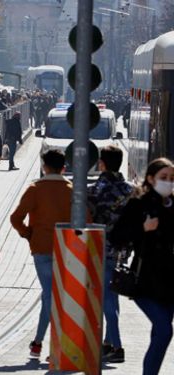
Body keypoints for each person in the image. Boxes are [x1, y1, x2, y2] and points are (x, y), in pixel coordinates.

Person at [110, 158, 174, 374]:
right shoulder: (139, 203)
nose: (168, 182)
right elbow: (117, 235)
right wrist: (142, 228)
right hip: (145, 281)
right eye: (163, 178)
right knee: (165, 330)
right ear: (150, 179)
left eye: (172, 178)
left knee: (160, 333)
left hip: (170, 282)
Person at [10, 150, 72, 358]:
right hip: (67, 250)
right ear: (64, 167)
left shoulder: (35, 189)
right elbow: (86, 220)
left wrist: (29, 234)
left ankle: (40, 343)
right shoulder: (72, 190)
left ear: (44, 166)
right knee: (54, 296)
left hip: (42, 248)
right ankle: (46, 343)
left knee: (49, 295)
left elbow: (15, 218)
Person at [86, 145, 135, 363]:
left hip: (100, 248)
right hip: (121, 251)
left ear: (102, 163)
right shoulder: (129, 189)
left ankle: (116, 346)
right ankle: (107, 342)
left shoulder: (98, 189)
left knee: (106, 297)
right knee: (113, 297)